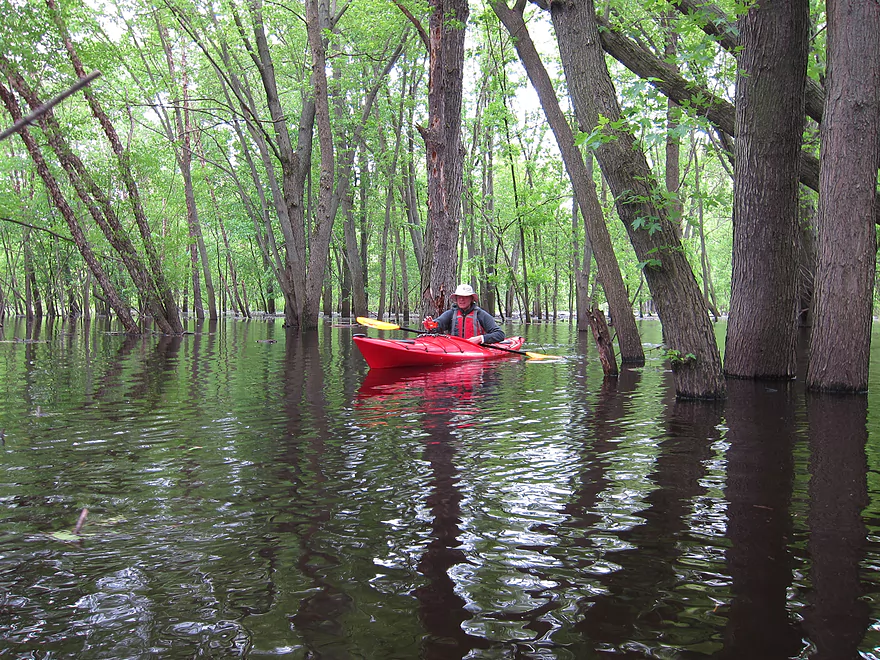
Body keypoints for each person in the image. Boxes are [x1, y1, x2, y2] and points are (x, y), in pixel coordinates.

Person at [423, 284, 506, 345]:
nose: (462, 299)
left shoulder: (481, 315)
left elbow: (500, 334)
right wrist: (430, 325)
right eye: (459, 297)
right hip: (454, 348)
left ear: (471, 298)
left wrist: (481, 338)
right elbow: (438, 324)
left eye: (465, 296)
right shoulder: (450, 314)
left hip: (477, 349)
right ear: (456, 299)